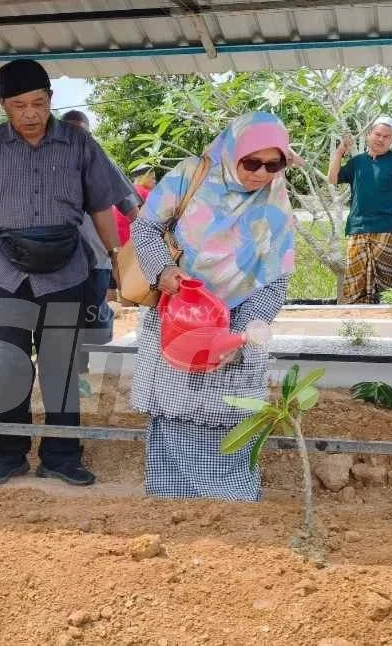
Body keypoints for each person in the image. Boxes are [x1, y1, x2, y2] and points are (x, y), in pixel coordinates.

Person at [0, 59, 131, 487]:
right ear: (3, 105)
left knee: (61, 365)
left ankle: (63, 454)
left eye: (39, 103)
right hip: (0, 269)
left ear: (51, 99)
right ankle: (9, 452)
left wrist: (117, 258)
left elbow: (102, 204)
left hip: (66, 271)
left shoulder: (79, 144)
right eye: (19, 105)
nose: (30, 114)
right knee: (7, 365)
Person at [131, 112, 294, 501]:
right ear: (232, 151)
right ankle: (171, 497)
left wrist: (241, 332)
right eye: (251, 162)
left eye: (273, 165)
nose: (260, 173)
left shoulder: (276, 200)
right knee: (175, 408)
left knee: (230, 412)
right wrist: (163, 270)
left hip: (235, 322)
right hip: (178, 313)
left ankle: (230, 499)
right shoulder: (192, 174)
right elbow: (146, 227)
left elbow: (277, 275)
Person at [59, 109, 139, 377]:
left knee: (93, 317)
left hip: (96, 259)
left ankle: (97, 374)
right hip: (56, 263)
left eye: (81, 133)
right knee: (62, 321)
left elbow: (131, 207)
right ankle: (73, 375)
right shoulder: (46, 165)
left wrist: (132, 255)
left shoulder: (101, 162)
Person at [329, 116, 392, 304]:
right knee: (355, 282)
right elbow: (333, 179)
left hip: (387, 228)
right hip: (358, 228)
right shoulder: (358, 162)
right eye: (377, 134)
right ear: (369, 135)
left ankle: (387, 321)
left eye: (386, 136)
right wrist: (340, 152)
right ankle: (358, 323)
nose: (380, 139)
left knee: (385, 284)